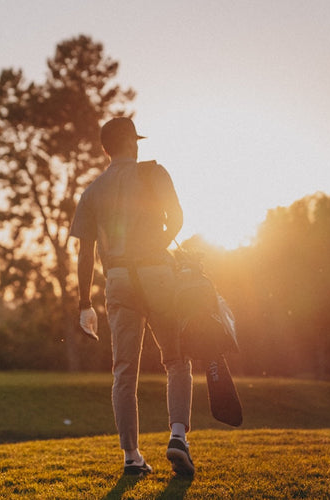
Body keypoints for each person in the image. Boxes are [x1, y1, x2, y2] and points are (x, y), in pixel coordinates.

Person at [69, 117, 195, 477]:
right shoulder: (154, 173)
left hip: (119, 277)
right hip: (156, 271)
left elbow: (85, 254)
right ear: (132, 143)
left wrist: (84, 304)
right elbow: (178, 219)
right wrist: (156, 243)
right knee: (176, 358)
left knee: (124, 370)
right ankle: (178, 437)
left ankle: (132, 458)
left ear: (106, 149)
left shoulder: (93, 190)